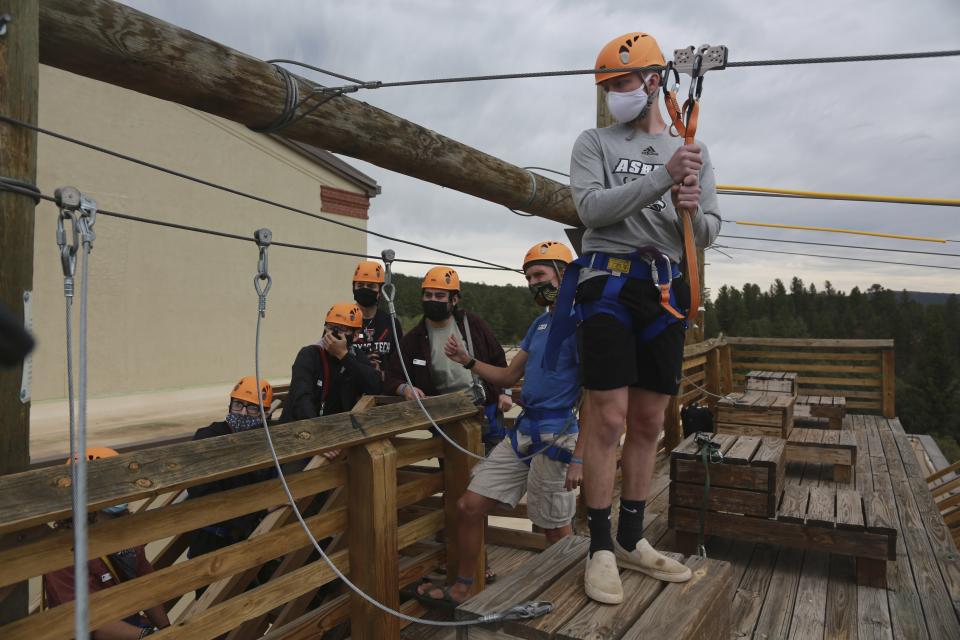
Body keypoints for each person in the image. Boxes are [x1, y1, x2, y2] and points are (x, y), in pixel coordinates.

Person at [562, 32, 722, 604]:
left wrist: (693, 205)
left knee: (651, 421)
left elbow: (706, 234)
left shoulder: (691, 149)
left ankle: (633, 536)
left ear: (653, 81)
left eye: (621, 83)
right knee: (608, 419)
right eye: (606, 86)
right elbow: (590, 208)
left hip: (665, 289)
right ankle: (600, 545)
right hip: (608, 282)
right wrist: (661, 178)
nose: (612, 95)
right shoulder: (594, 143)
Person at [414, 241, 584, 607]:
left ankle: (576, 607)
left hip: (557, 435)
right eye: (528, 277)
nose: (532, 283)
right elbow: (508, 376)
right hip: (524, 430)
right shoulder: (540, 324)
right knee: (469, 506)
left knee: (555, 528)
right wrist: (467, 360)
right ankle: (463, 587)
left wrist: (581, 456)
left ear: (564, 273)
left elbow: (598, 393)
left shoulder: (582, 324)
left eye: (539, 274)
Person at [43, 447, 171, 638]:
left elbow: (146, 590)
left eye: (119, 483)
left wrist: (170, 632)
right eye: (105, 485)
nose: (117, 490)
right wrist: (146, 635)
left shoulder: (125, 534)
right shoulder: (63, 551)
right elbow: (89, 622)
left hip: (131, 628)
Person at [383, 266, 512, 448]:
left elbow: (498, 359)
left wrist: (505, 393)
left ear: (454, 299)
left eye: (439, 296)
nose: (433, 300)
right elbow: (392, 376)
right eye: (428, 295)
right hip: (443, 415)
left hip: (482, 408)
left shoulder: (472, 324)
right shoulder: (414, 338)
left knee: (495, 467)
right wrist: (405, 389)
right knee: (452, 471)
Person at [187, 377, 278, 564]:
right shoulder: (208, 438)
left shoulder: (268, 438)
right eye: (238, 404)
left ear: (265, 414)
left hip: (250, 537)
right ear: (230, 405)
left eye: (252, 407)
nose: (243, 412)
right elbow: (204, 493)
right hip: (212, 540)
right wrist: (259, 509)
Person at [283, 302, 383, 428]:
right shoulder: (309, 354)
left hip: (337, 430)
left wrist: (344, 356)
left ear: (356, 335)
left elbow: (375, 385)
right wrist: (320, 434)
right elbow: (301, 398)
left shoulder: (355, 356)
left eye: (342, 329)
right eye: (330, 327)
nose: (333, 334)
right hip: (301, 429)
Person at [349, 260, 403, 376]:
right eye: (360, 285)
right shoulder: (342, 320)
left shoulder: (391, 323)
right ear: (354, 288)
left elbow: (400, 363)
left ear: (380, 291)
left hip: (384, 389)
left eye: (371, 286)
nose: (365, 289)